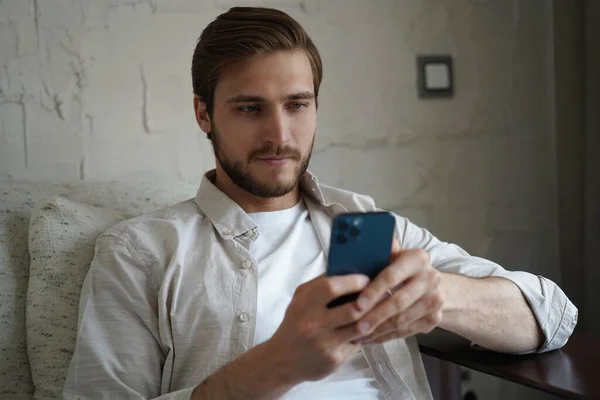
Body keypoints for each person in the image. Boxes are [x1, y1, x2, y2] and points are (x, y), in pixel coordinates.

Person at [64, 6, 577, 400]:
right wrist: (278, 364)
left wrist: (441, 293)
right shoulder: (140, 253)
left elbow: (552, 316)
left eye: (297, 105)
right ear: (204, 114)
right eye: (249, 108)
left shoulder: (369, 227)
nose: (279, 134)